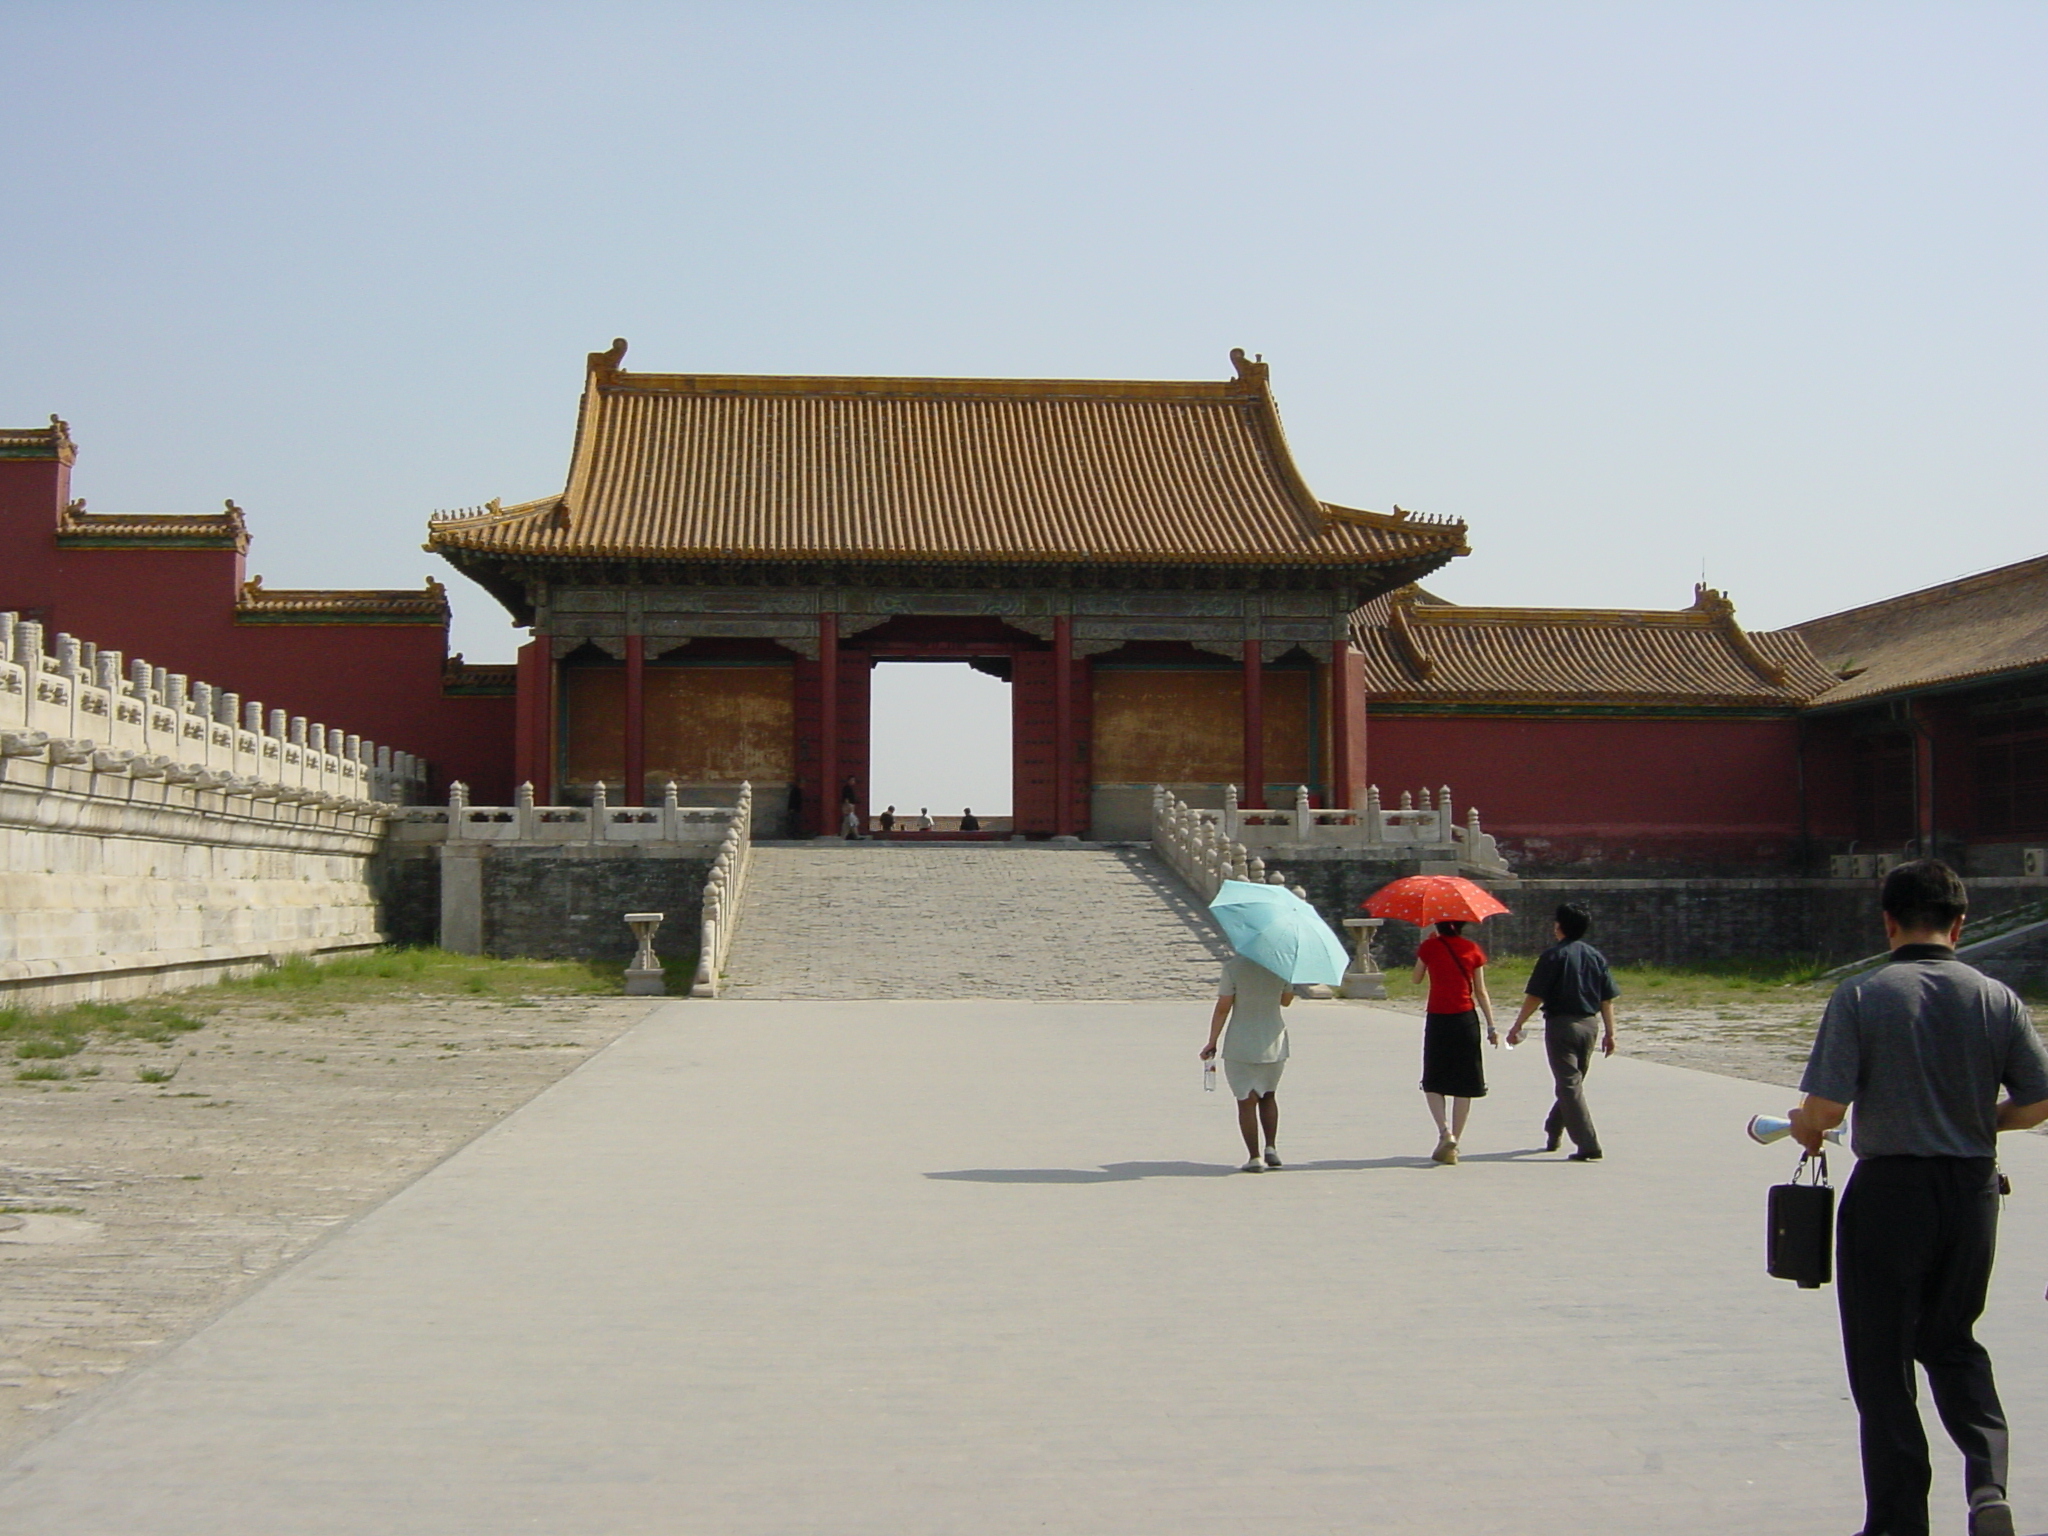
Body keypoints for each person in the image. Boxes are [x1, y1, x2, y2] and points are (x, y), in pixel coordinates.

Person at [1789, 860, 2048, 1536]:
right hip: (1970, 1191)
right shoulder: (1996, 998)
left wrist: (1805, 1128)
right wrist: (1979, 1118)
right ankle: (1988, 1486)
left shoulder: (1864, 995)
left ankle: (1900, 1521)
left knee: (1882, 1359)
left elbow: (1825, 1105)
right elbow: (2040, 1100)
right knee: (1954, 1341)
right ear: (1959, 924)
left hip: (1889, 1194)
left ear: (1889, 921)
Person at [1505, 903, 1617, 1161]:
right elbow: (1607, 999)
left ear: (1560, 926)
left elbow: (1536, 995)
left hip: (1562, 1026)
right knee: (1573, 1084)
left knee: (1569, 1085)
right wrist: (1610, 1033)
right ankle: (1555, 1126)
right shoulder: (1595, 956)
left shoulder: (1553, 956)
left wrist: (1518, 1024)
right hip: (1589, 1025)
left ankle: (1588, 1143)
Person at [1411, 919, 1498, 1165]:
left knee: (1433, 1079)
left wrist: (1427, 949)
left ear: (1437, 927)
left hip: (1438, 1019)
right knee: (1465, 1083)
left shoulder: (1430, 947)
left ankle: (1444, 1132)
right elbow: (1480, 991)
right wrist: (1491, 1025)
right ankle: (1455, 1143)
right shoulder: (1472, 949)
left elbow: (1416, 979)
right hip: (1465, 1019)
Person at [1198, 955, 1295, 1171]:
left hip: (1241, 1041)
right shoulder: (1282, 967)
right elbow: (1286, 1001)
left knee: (1246, 1099)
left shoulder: (1233, 968)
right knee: (1269, 1095)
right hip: (1273, 1039)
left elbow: (1224, 1006)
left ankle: (1255, 1157)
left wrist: (1212, 1041)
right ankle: (1271, 1147)